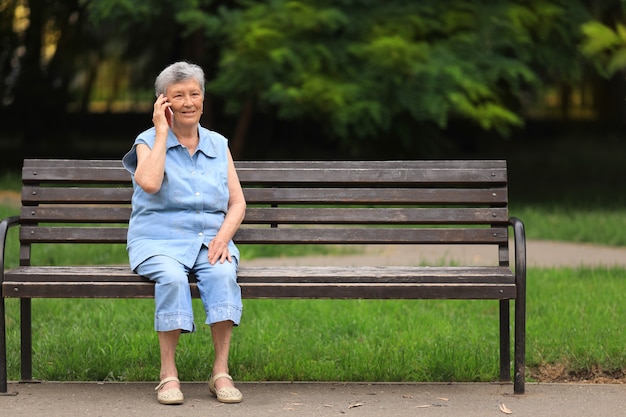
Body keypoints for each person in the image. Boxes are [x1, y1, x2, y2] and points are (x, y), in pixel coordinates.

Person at [122, 61, 246, 405]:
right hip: (157, 242)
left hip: (209, 241)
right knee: (173, 279)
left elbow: (237, 203)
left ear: (203, 99)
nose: (189, 102)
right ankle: (168, 375)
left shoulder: (218, 144)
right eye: (179, 95)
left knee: (223, 275)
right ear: (165, 102)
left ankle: (220, 372)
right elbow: (148, 182)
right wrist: (163, 132)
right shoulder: (148, 142)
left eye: (195, 93)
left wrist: (222, 238)